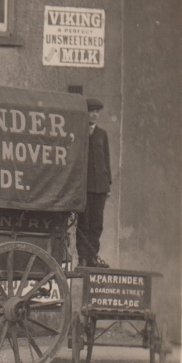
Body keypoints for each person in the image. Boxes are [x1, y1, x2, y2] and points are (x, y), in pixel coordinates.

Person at [77, 97, 112, 268]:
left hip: (101, 186)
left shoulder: (102, 134)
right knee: (84, 223)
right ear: (86, 113)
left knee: (97, 224)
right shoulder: (80, 132)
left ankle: (93, 257)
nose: (95, 115)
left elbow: (106, 159)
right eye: (92, 111)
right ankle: (83, 257)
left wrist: (109, 184)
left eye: (97, 112)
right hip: (85, 186)